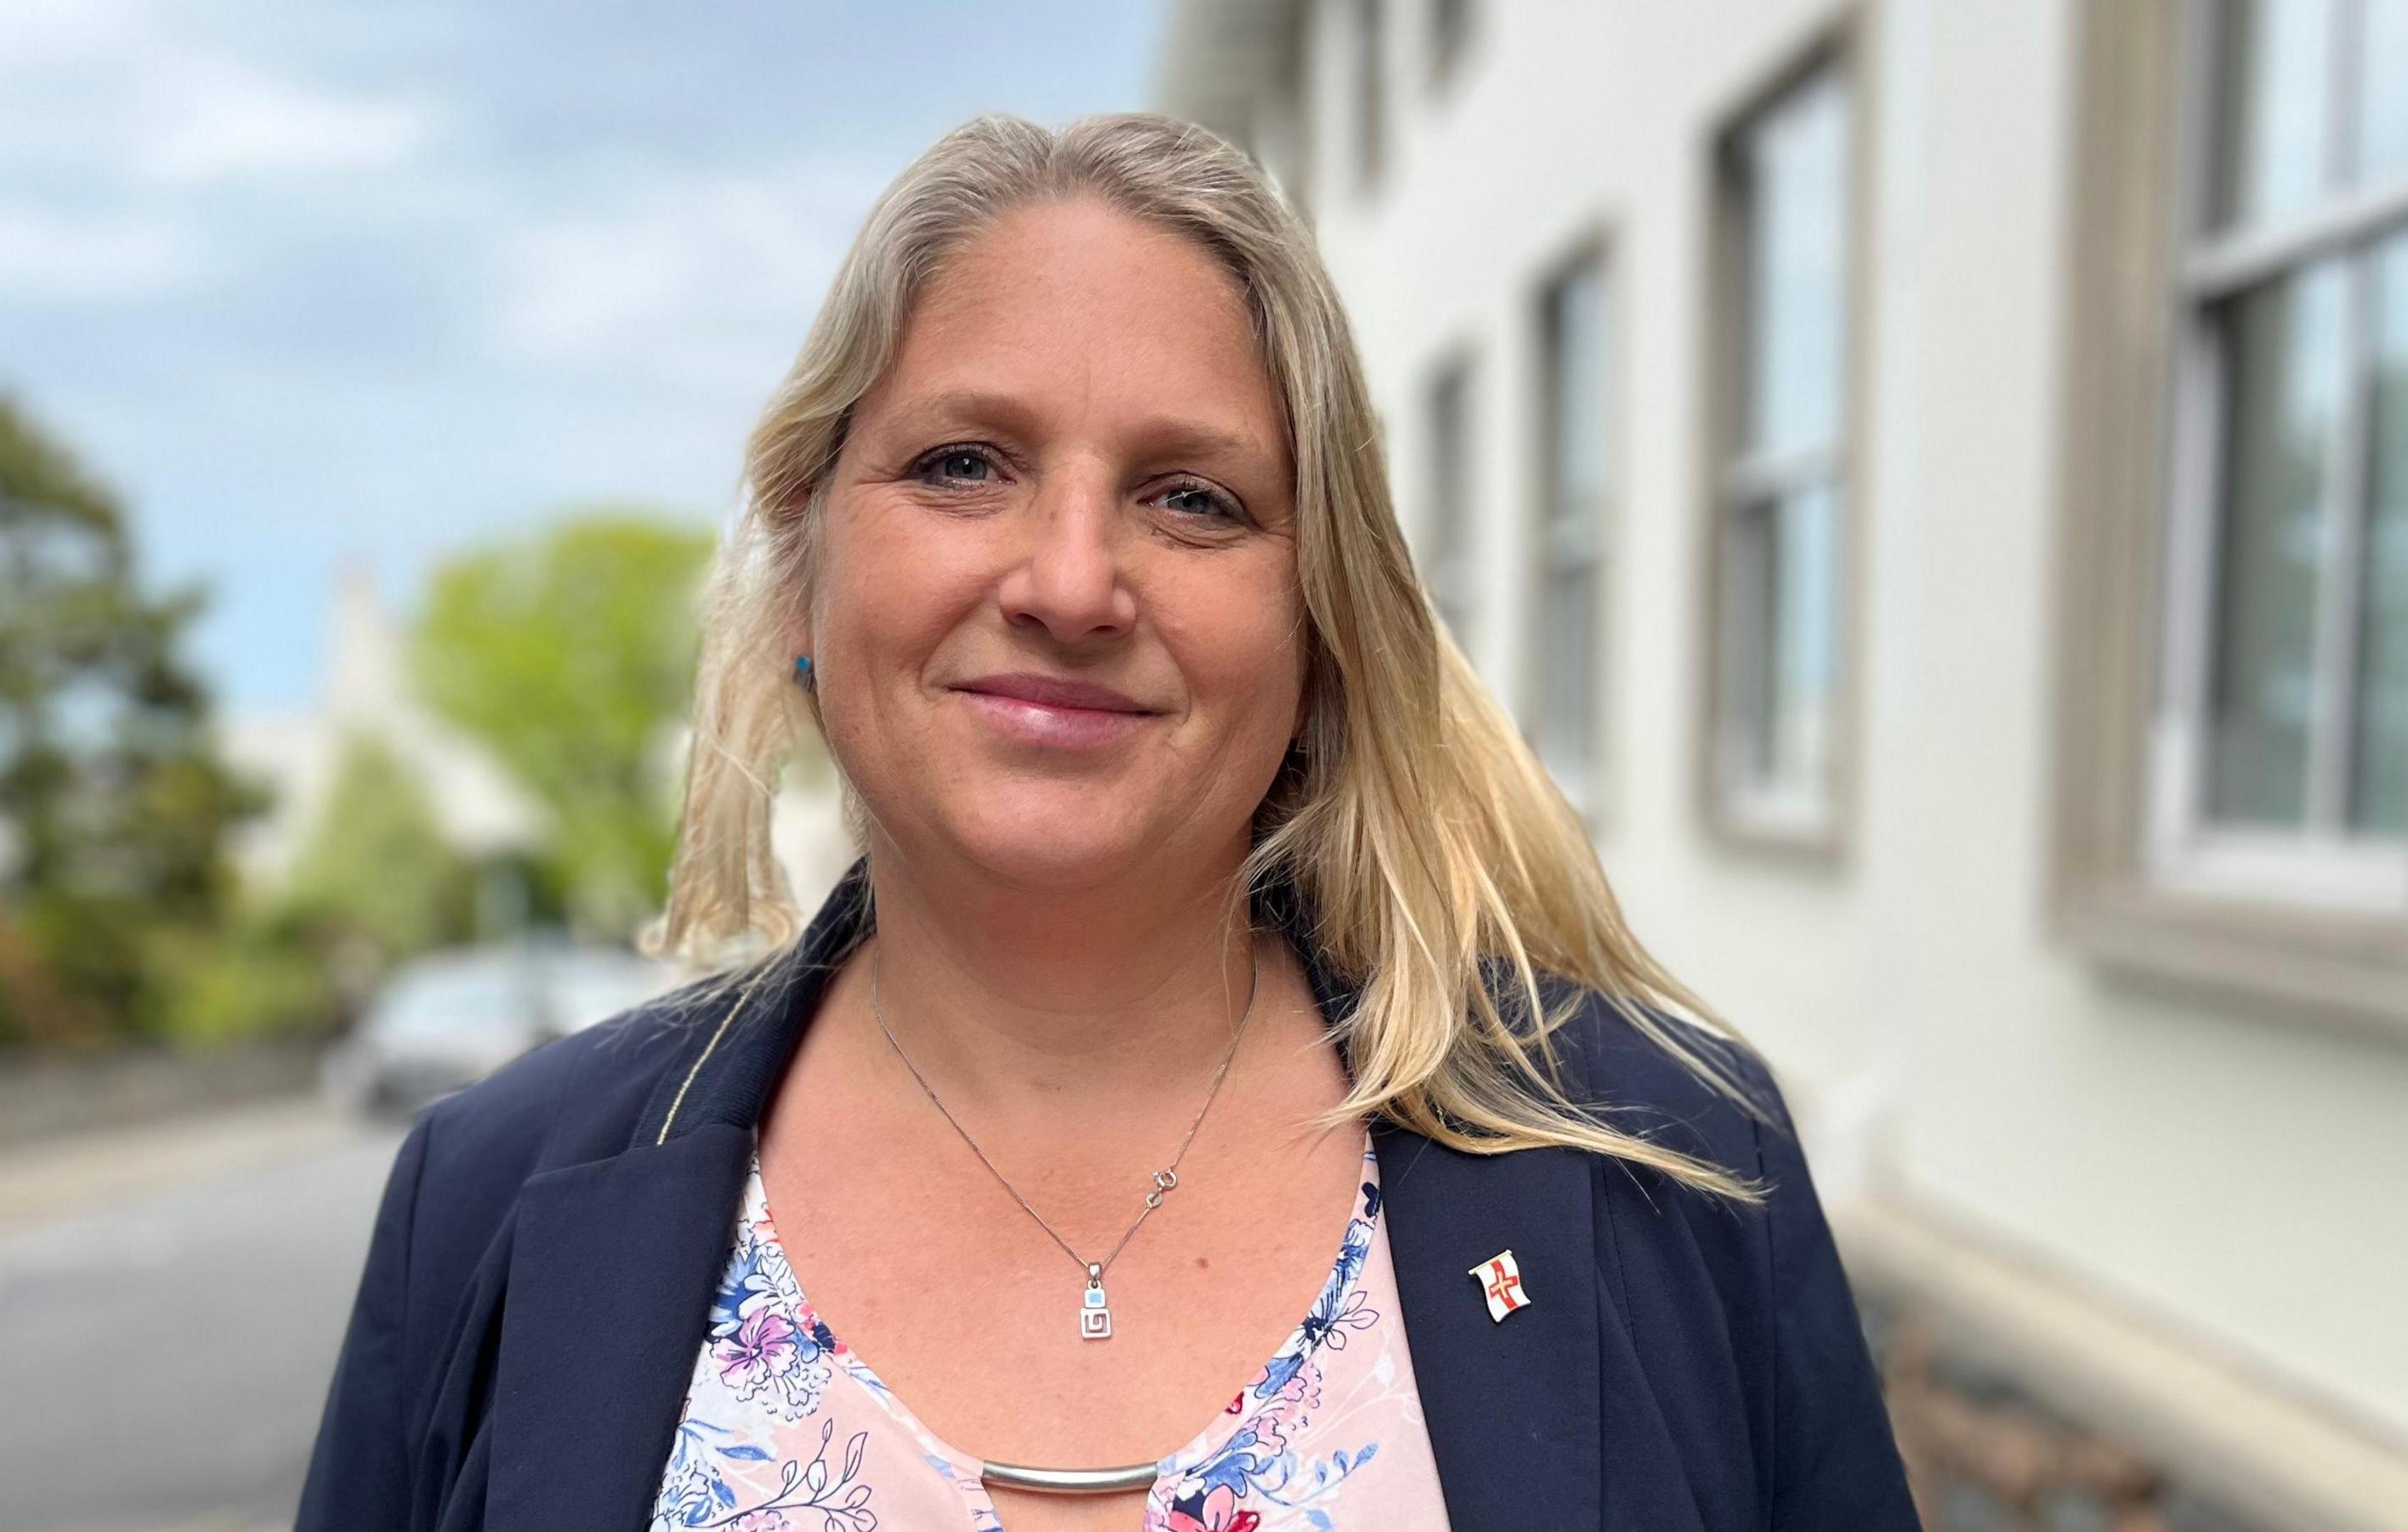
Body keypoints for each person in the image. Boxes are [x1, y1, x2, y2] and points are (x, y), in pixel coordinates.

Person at [293, 111, 1920, 1532]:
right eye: (962, 464)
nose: (1071, 584)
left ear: (1320, 614)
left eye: (1191, 498)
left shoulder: (1674, 1164)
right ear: (806, 566)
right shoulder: (493, 1202)